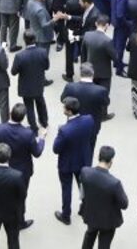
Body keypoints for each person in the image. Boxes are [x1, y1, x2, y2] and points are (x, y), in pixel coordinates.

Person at [0, 103, 44, 229]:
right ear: (23, 118)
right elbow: (37, 152)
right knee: (21, 197)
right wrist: (41, 139)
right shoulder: (28, 133)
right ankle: (20, 222)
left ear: (10, 114)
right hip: (22, 172)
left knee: (4, 193)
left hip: (3, 168)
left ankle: (4, 217)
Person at [53, 96, 96, 226]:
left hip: (67, 163)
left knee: (66, 189)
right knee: (83, 186)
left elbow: (56, 149)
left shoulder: (64, 130)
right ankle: (86, 208)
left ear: (69, 111)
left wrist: (58, 133)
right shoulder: (89, 120)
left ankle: (66, 215)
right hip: (83, 160)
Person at [80, 145, 128, 249]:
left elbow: (83, 192)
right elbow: (124, 204)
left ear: (98, 157)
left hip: (91, 214)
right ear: (111, 162)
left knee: (89, 236)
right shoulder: (114, 183)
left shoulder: (85, 172)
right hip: (108, 220)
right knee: (104, 244)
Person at [62, 63, 112, 151]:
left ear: (80, 73)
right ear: (93, 74)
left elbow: (62, 99)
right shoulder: (100, 91)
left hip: (74, 124)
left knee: (73, 149)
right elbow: (106, 103)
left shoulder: (70, 87)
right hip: (92, 125)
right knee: (90, 148)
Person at [12, 31, 50, 130]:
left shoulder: (20, 56)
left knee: (29, 107)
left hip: (26, 87)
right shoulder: (43, 52)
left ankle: (33, 127)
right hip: (38, 84)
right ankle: (44, 122)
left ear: (25, 40)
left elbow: (13, 72)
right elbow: (46, 67)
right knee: (41, 103)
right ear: (35, 39)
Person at [83, 15, 117, 92]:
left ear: (96, 23)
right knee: (103, 96)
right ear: (107, 25)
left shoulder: (87, 35)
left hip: (89, 71)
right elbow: (115, 57)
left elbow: (83, 54)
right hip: (104, 74)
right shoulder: (107, 41)